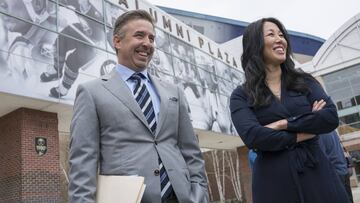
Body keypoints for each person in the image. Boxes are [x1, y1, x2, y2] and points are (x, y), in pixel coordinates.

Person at [68, 10, 209, 203]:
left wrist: (199, 193)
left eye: (152, 38)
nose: (148, 43)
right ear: (117, 41)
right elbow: (82, 161)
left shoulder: (174, 92)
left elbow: (191, 151)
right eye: (139, 35)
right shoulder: (91, 92)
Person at [230, 17, 350, 203]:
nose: (280, 39)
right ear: (255, 44)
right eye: (271, 34)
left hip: (318, 175)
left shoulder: (304, 82)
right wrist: (303, 131)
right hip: (273, 183)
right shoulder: (241, 95)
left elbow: (329, 117)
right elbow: (253, 137)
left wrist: (283, 124)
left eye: (281, 34)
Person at [318, 131, 354, 202]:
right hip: (344, 169)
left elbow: (321, 156)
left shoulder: (318, 133)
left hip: (335, 173)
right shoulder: (332, 130)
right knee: (348, 199)